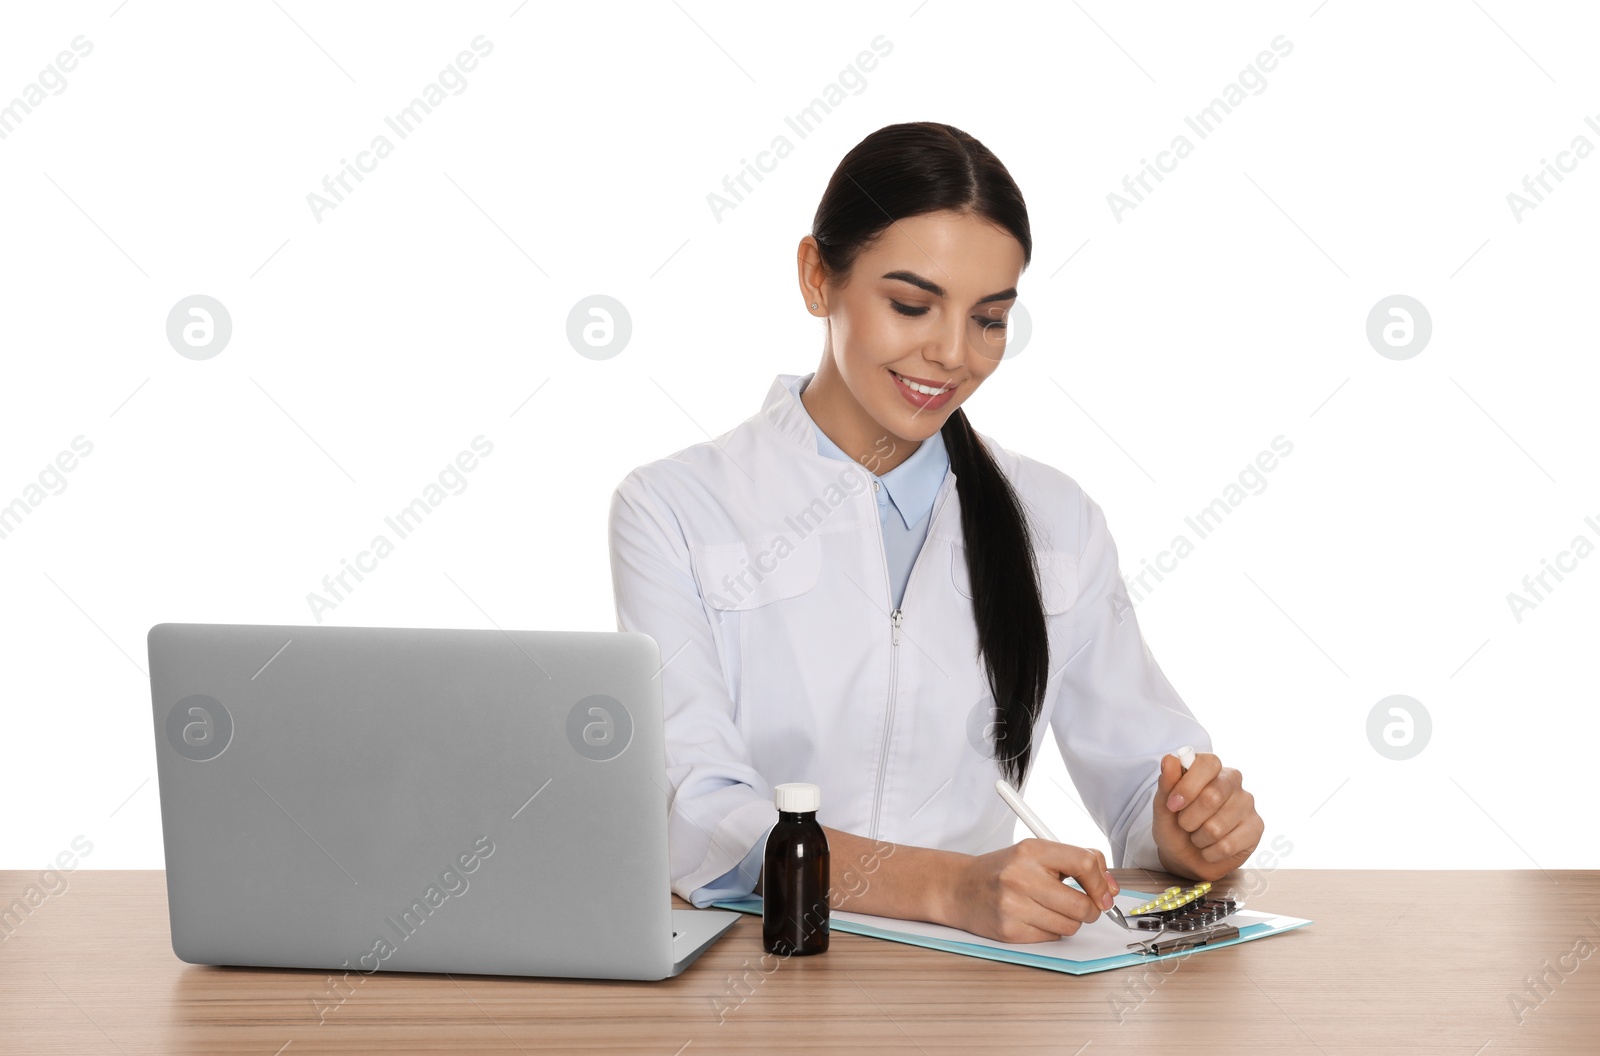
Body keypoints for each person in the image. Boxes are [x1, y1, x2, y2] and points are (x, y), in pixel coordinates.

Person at [607, 121, 1263, 945]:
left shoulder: (1058, 520)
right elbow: (696, 815)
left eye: (989, 320)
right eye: (911, 304)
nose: (953, 355)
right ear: (817, 276)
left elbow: (1141, 785)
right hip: (763, 965)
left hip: (975, 987)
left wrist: (1189, 828)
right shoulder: (674, 507)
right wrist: (949, 888)